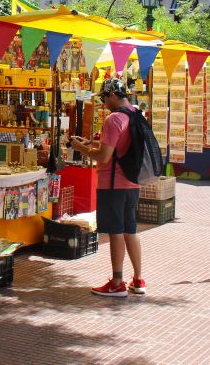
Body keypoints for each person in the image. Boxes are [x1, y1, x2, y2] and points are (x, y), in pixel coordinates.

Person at [68, 78, 145, 297]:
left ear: (112, 95)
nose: (103, 102)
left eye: (103, 97)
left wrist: (81, 148)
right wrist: (92, 142)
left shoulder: (113, 119)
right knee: (131, 230)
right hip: (132, 183)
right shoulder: (135, 114)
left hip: (113, 184)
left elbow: (104, 155)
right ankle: (138, 279)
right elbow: (118, 146)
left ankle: (117, 282)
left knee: (115, 232)